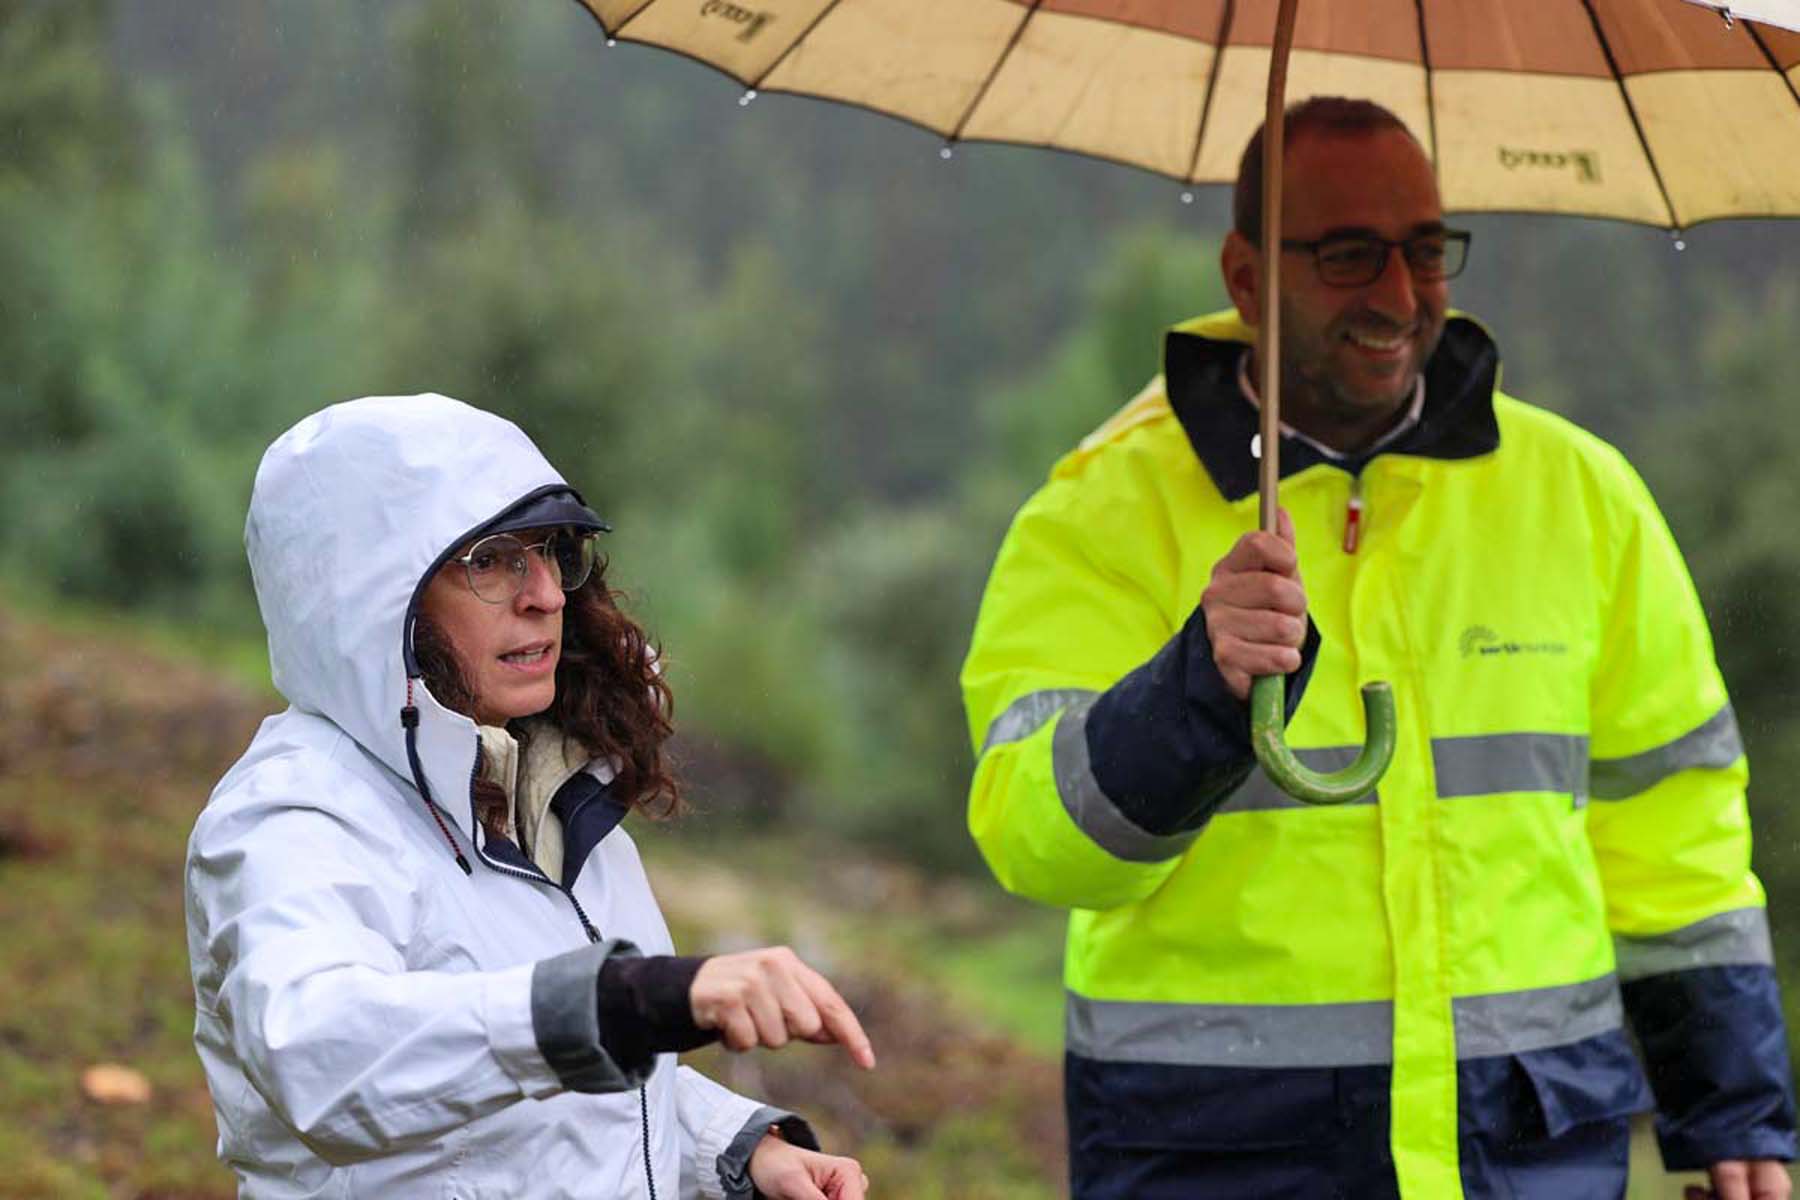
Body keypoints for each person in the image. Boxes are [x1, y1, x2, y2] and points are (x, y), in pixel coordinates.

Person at [960, 97, 1796, 1199]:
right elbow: (1038, 843)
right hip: (1217, 1155)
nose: (1400, 296)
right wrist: (1194, 692)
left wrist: (1732, 1105)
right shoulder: (1096, 516)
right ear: (1247, 276)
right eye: (1350, 254)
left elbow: (1673, 827)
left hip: (1531, 1150)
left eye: (1425, 250)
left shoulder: (1583, 495)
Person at [186, 394, 874, 1199]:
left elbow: (531, 1099)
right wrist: (630, 1001)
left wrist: (729, 1148)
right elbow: (319, 1058)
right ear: (368, 601)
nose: (547, 593)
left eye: (550, 551)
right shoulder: (294, 817)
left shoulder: (547, 791)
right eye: (490, 560)